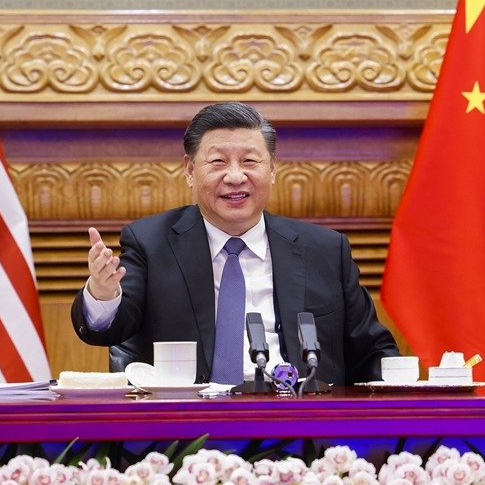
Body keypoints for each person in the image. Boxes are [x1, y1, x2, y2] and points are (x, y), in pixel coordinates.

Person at [71, 102, 400, 386]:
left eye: (249, 161)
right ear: (190, 171)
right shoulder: (151, 242)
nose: (235, 177)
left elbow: (373, 351)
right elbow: (109, 330)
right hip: (190, 425)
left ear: (272, 169)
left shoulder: (325, 250)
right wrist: (103, 293)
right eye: (218, 162)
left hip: (303, 420)